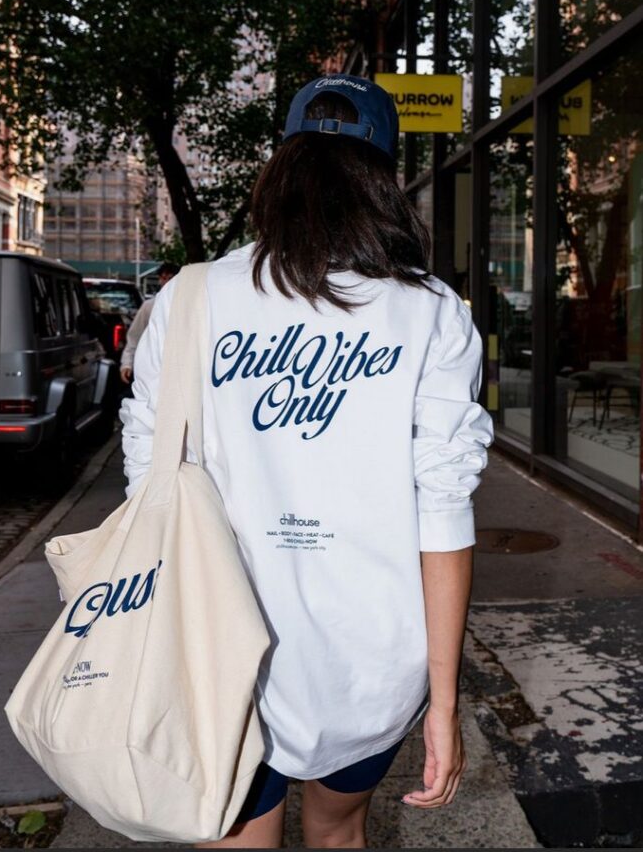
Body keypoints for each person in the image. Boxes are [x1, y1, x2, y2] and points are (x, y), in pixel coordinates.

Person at [119, 74, 494, 849]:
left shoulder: (191, 299)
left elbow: (145, 488)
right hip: (372, 664)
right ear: (385, 183)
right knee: (338, 834)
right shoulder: (434, 316)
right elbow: (444, 517)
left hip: (219, 657)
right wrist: (446, 708)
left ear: (281, 172)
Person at [119, 262, 180, 385]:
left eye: (171, 278)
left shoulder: (188, 306)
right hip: (152, 368)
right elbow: (134, 337)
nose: (167, 281)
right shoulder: (149, 306)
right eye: (164, 278)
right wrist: (127, 363)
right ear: (159, 280)